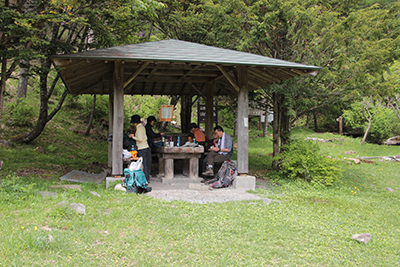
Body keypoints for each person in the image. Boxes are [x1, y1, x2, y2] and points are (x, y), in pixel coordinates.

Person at [129, 115, 151, 183]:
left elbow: (140, 139)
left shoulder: (139, 128)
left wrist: (133, 137)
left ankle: (145, 179)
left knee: (143, 164)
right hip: (146, 146)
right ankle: (147, 178)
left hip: (141, 147)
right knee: (146, 163)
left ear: (135, 123)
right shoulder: (142, 127)